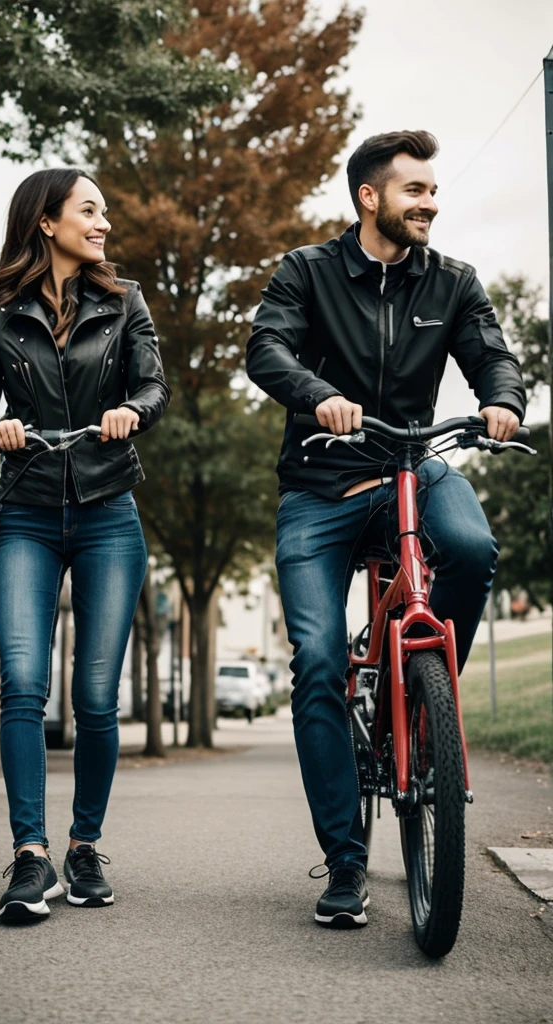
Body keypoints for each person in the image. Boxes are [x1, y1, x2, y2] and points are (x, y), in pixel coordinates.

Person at [246, 131, 526, 929]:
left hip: (414, 467)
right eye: (414, 191)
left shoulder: (455, 282)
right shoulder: (306, 271)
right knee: (319, 661)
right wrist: (315, 392)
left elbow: (493, 358)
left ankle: (429, 699)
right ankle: (342, 862)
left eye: (433, 191)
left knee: (471, 548)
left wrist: (503, 402)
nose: (430, 202)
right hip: (320, 483)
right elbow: (265, 348)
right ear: (370, 197)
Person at [0, 168, 170, 921]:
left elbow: (154, 387)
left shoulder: (124, 301)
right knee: (22, 682)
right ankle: (30, 856)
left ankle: (83, 847)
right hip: (27, 513)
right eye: (90, 209)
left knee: (96, 696)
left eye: (105, 210)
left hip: (110, 512)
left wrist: (130, 415)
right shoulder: (0, 313)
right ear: (46, 222)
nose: (104, 221)